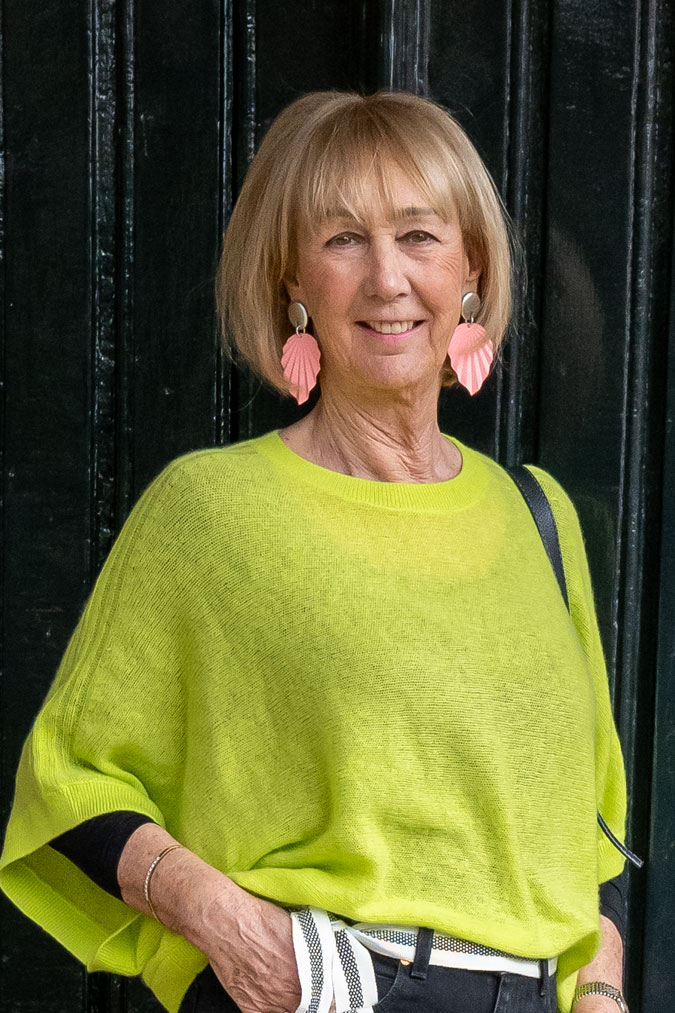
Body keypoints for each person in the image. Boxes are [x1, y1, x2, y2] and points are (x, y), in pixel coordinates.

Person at [0, 90, 636, 1013]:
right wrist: (224, 924)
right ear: (291, 283)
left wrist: (605, 992)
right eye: (343, 239)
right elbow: (69, 781)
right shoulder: (211, 511)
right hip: (323, 986)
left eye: (418, 235)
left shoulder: (539, 515)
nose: (386, 278)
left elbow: (594, 827)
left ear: (469, 268)